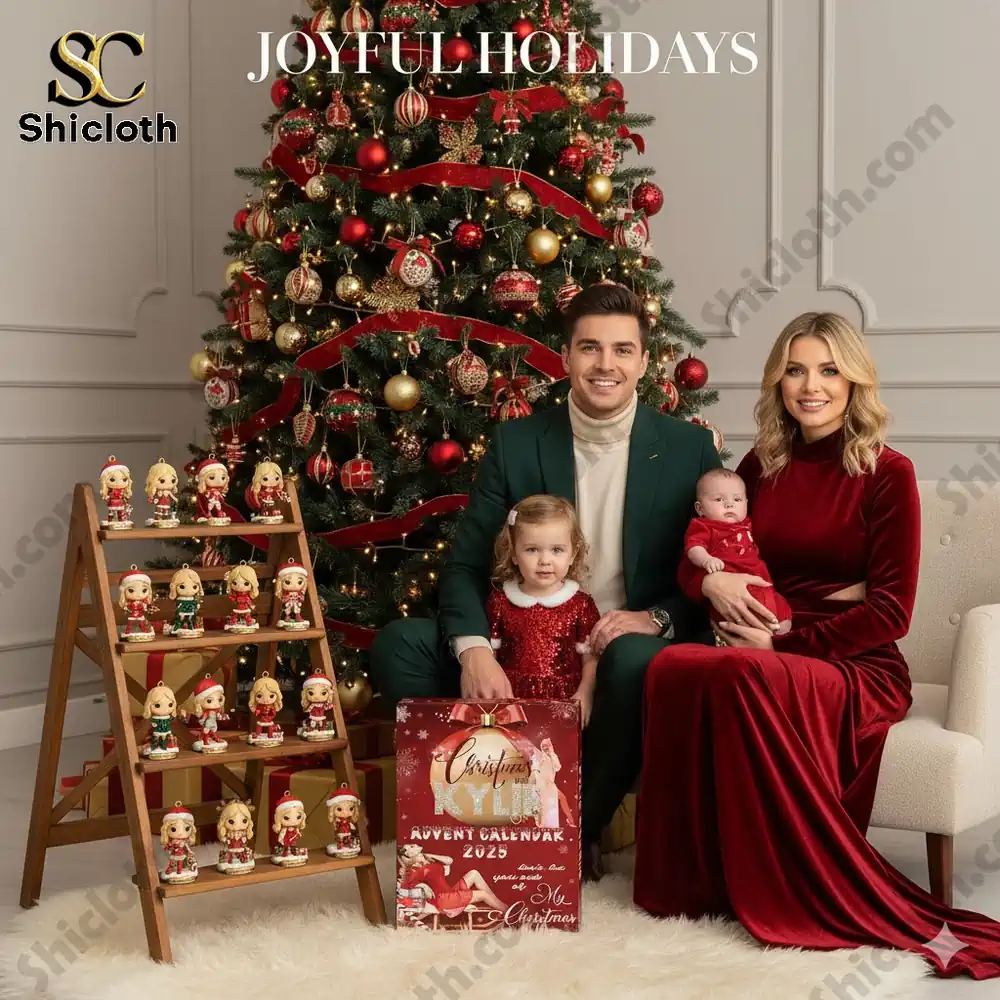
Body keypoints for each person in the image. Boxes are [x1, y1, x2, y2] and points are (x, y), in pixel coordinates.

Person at [634, 311, 1000, 979]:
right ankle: (692, 885)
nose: (811, 385)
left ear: (854, 381)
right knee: (673, 667)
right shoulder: (757, 465)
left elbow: (889, 611)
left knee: (749, 676)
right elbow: (708, 556)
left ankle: (788, 886)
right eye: (796, 369)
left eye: (829, 370)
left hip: (854, 662)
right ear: (778, 380)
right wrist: (712, 590)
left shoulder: (887, 473)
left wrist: (789, 639)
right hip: (755, 636)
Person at [370, 284, 722, 880]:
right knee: (398, 644)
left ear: (643, 360)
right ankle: (478, 810)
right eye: (590, 348)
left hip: (614, 650)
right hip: (516, 638)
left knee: (635, 656)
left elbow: (708, 575)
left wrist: (656, 619)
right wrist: (476, 650)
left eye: (621, 350)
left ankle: (571, 830)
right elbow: (462, 567)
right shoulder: (518, 442)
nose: (605, 365)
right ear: (565, 357)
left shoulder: (689, 449)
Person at [487, 494, 601, 723]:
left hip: (564, 701)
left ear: (573, 555)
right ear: (514, 555)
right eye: (532, 550)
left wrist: (585, 693)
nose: (545, 560)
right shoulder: (501, 601)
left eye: (557, 550)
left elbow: (590, 659)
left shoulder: (580, 604)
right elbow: (491, 655)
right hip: (510, 701)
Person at [682, 467, 792, 634]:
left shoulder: (747, 523)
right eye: (719, 499)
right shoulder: (704, 526)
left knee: (783, 614)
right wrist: (706, 560)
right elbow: (694, 548)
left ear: (747, 504)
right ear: (700, 509)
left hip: (761, 582)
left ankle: (778, 635)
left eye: (737, 499)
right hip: (730, 582)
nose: (729, 504)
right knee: (737, 616)